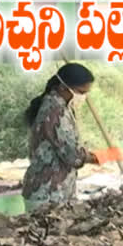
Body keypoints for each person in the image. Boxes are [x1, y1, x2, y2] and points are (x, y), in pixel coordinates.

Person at [21, 62, 98, 212]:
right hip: (47, 195)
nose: (83, 97)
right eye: (81, 92)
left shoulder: (58, 106)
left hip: (54, 194)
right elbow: (72, 156)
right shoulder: (55, 111)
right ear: (63, 87)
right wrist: (99, 157)